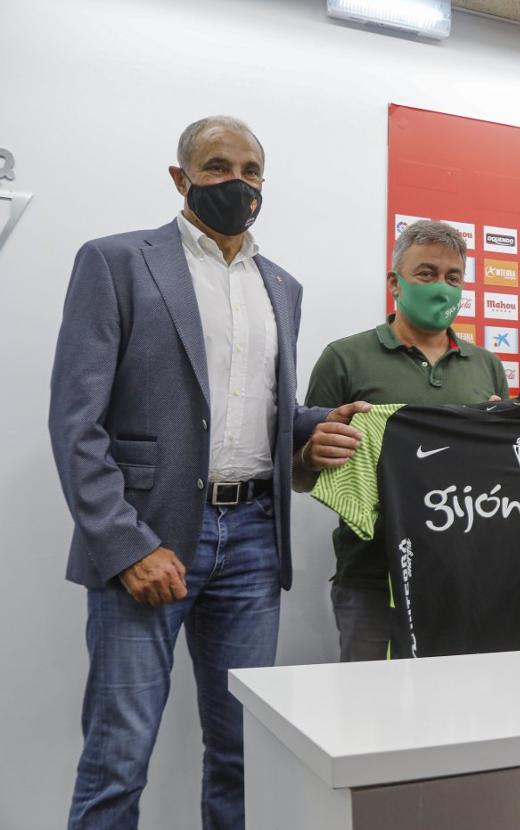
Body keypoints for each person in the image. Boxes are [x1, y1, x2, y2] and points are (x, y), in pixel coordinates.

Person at [49, 115, 367, 829]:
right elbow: (77, 421)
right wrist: (128, 545)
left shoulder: (282, 285)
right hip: (151, 537)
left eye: (251, 171)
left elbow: (258, 409)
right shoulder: (118, 262)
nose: (237, 183)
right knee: (118, 757)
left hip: (254, 542)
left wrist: (312, 429)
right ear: (180, 177)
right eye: (218, 166)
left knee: (242, 754)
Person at [298, 219, 508, 661]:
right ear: (395, 283)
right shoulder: (344, 358)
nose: (441, 287)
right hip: (371, 575)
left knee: (457, 708)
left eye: (453, 277)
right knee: (369, 713)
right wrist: (310, 454)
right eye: (426, 274)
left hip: (464, 575)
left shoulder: (485, 366)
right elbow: (300, 476)